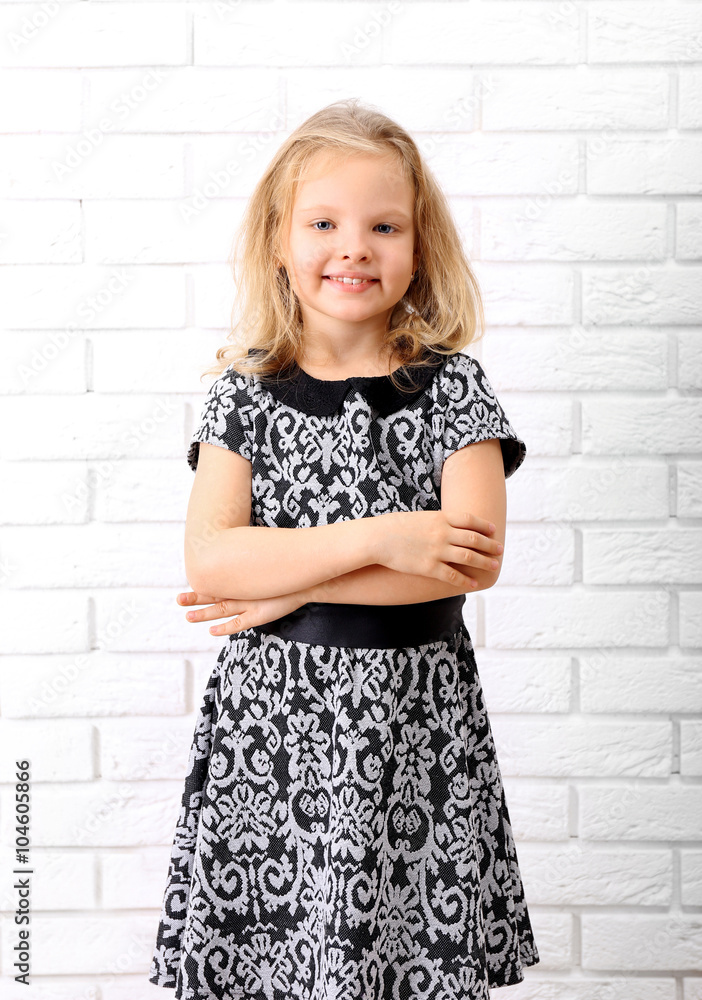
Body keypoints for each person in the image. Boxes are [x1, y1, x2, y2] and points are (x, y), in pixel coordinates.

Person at [148, 98, 539, 999]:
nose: (353, 248)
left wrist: (289, 588)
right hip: (272, 732)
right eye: (323, 223)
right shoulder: (243, 394)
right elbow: (213, 560)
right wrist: (387, 536)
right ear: (278, 242)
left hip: (415, 727)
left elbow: (469, 564)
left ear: (420, 246)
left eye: (383, 227)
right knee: (280, 959)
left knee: (405, 961)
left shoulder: (453, 390)